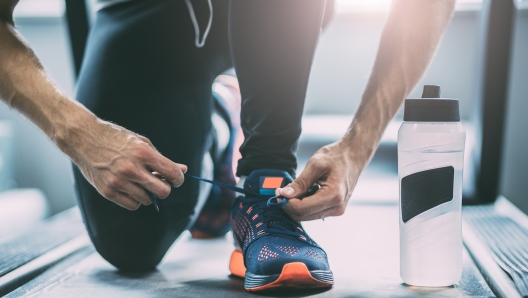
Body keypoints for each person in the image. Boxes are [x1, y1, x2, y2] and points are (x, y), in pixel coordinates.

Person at [0, 0, 455, 292]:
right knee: (130, 243)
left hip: (276, 13)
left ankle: (264, 182)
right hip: (150, 17)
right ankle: (221, 117)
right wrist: (79, 133)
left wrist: (359, 146)